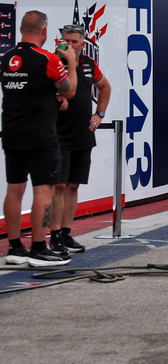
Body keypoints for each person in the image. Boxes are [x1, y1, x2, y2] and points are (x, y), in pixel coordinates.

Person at [3, 10, 76, 267]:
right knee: (43, 190)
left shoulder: (7, 57)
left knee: (14, 188)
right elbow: (70, 90)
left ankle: (14, 248)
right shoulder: (47, 58)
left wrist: (50, 95)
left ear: (21, 29)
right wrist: (71, 63)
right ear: (44, 30)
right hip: (40, 135)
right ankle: (38, 248)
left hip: (11, 131)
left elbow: (27, 89)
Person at [48, 23, 111, 256]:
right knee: (58, 186)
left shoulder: (88, 63)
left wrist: (99, 114)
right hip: (57, 135)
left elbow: (105, 87)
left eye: (74, 41)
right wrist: (56, 96)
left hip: (82, 134)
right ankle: (54, 236)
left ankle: (66, 233)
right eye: (66, 41)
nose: (70, 45)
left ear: (83, 44)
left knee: (73, 185)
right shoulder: (51, 62)